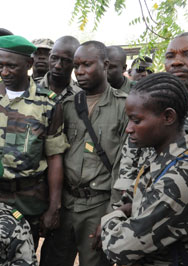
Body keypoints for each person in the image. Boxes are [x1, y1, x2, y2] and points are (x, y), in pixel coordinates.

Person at [0, 35, 69, 248]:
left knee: (22, 256)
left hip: (28, 200)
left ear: (29, 64)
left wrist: (53, 207)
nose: (4, 72)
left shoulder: (47, 104)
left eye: (11, 66)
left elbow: (55, 157)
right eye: (1, 65)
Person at [41, 41, 128, 266]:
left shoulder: (123, 107)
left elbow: (125, 165)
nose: (79, 72)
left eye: (86, 65)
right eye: (77, 65)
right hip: (66, 202)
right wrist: (54, 204)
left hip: (99, 205)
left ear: (105, 65)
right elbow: (54, 156)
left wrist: (111, 216)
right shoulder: (67, 105)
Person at [101, 72, 188, 265]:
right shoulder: (162, 154)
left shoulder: (181, 174)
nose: (129, 128)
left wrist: (112, 217)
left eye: (137, 120)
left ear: (168, 117)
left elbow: (119, 247)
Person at [114, 32, 188, 197]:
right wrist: (127, 195)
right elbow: (131, 151)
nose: (176, 62)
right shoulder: (151, 101)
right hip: (143, 200)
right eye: (170, 56)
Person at [38, 35, 81, 103]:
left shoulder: (81, 95)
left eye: (66, 60)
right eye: (54, 58)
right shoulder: (30, 87)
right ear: (49, 56)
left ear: (75, 63)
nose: (57, 66)